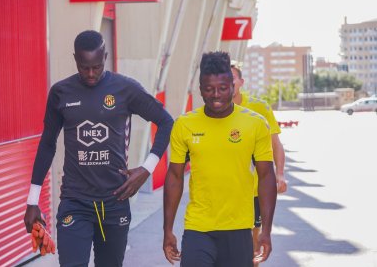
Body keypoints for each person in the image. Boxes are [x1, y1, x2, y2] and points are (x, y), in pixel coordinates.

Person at [23, 30, 173, 266]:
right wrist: (32, 200)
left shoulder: (126, 89)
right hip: (75, 201)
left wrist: (146, 169)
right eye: (84, 67)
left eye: (96, 66)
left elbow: (166, 121)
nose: (91, 74)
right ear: (75, 60)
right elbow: (47, 144)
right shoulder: (61, 93)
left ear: (105, 56)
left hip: (115, 201)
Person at [163, 51, 277, 266]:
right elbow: (174, 177)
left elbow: (266, 176)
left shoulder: (255, 124)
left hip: (239, 228)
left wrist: (265, 231)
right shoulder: (185, 125)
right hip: (198, 226)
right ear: (200, 90)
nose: (216, 95)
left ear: (233, 87)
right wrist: (167, 230)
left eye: (223, 88)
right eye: (209, 89)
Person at [230, 60, 286, 265]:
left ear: (241, 82)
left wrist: (279, 174)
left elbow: (276, 144)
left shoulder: (259, 108)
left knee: (253, 241)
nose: (228, 83)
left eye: (232, 78)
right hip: (226, 191)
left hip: (254, 190)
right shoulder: (213, 111)